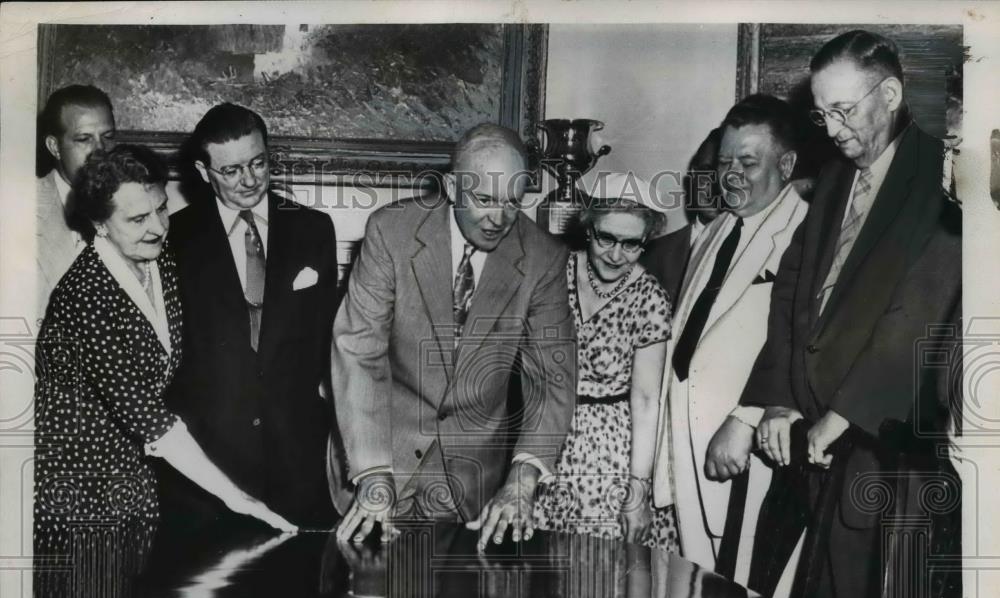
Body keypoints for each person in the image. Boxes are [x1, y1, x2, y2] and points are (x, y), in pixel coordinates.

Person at [739, 31, 961, 598]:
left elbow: (921, 310)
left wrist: (846, 412)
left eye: (843, 110)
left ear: (889, 94)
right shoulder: (836, 175)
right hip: (813, 437)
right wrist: (779, 397)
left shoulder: (942, 173)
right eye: (822, 114)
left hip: (883, 443)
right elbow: (792, 290)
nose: (832, 129)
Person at [32, 146, 294, 598]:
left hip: (134, 488)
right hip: (75, 498)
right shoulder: (85, 297)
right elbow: (153, 421)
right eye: (137, 219)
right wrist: (238, 498)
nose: (156, 227)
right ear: (100, 224)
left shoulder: (158, 260)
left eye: (161, 209)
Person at [329, 123, 576, 550]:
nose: (499, 219)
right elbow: (359, 350)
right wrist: (372, 472)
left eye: (513, 202)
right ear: (452, 187)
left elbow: (552, 378)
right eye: (484, 200)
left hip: (472, 485)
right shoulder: (391, 231)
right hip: (380, 461)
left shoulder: (543, 258)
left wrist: (523, 478)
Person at [651, 95, 809, 587]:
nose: (732, 176)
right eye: (724, 163)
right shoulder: (719, 227)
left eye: (748, 162)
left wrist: (747, 417)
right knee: (700, 589)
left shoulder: (806, 232)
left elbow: (801, 342)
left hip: (747, 446)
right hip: (687, 440)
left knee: (750, 594)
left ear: (786, 166)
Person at [163, 103, 339, 529]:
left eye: (258, 163)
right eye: (231, 170)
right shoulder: (173, 237)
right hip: (208, 464)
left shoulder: (314, 229)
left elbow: (329, 340)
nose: (249, 180)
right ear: (203, 171)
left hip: (298, 460)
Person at [532, 172, 678, 551]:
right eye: (606, 238)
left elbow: (646, 400)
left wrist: (637, 491)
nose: (616, 255)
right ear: (588, 228)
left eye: (632, 244)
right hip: (547, 436)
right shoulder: (551, 274)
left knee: (600, 571)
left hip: (611, 453)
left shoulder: (650, 298)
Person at [36, 85, 116, 319]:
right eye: (84, 139)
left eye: (108, 137)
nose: (100, 150)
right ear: (54, 147)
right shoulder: (16, 208)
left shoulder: (136, 205)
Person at [640, 127, 723, 304]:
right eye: (706, 172)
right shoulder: (651, 255)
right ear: (692, 174)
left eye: (724, 176)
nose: (714, 186)